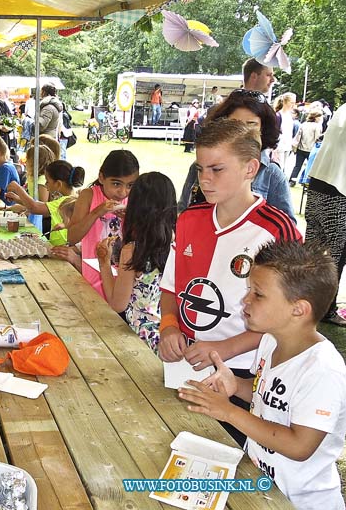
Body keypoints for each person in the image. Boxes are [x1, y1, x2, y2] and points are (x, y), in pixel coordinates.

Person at [158, 119, 300, 445]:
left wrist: (224, 348)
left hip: (245, 375)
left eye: (217, 169)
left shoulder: (276, 230)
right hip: (189, 366)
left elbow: (288, 318)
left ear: (251, 168)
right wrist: (168, 326)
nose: (204, 179)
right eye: (199, 168)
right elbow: (170, 286)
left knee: (234, 458)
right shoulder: (190, 219)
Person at [179, 240, 346, 509]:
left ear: (299, 309)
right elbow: (264, 394)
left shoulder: (322, 370)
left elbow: (299, 446)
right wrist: (235, 385)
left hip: (300, 502)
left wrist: (229, 412)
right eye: (249, 290)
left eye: (258, 294)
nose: (245, 300)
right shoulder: (270, 341)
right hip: (264, 487)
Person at [177, 88, 296, 224]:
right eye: (234, 125)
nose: (243, 132)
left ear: (263, 129)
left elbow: (288, 231)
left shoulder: (272, 175)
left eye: (251, 125)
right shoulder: (200, 167)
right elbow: (183, 210)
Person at [95, 172, 177, 354]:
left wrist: (104, 263)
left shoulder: (132, 250)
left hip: (139, 339)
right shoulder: (175, 241)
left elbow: (117, 304)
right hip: (165, 336)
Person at [303, 95, 346, 328]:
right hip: (342, 188)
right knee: (335, 257)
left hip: (319, 182)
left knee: (312, 254)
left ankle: (305, 300)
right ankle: (326, 309)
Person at [65, 150, 140, 298]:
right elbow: (72, 237)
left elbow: (140, 240)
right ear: (101, 177)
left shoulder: (134, 198)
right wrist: (96, 213)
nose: (123, 192)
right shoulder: (89, 195)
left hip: (123, 279)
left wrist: (130, 219)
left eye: (130, 185)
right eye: (116, 183)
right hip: (92, 277)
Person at [6, 160, 85, 246]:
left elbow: (34, 207)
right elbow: (41, 207)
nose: (45, 184)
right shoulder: (67, 199)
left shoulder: (65, 201)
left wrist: (18, 189)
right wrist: (18, 199)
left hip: (62, 249)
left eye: (47, 181)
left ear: (58, 184)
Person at [289, 107, 323, 186]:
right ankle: (304, 181)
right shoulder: (317, 126)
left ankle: (292, 180)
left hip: (300, 148)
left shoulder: (304, 124)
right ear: (316, 117)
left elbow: (299, 136)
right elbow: (317, 138)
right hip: (311, 149)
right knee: (309, 166)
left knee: (297, 166)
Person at [273, 92, 297, 169]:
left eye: (294, 103)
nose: (293, 105)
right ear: (285, 102)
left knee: (284, 167)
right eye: (291, 102)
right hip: (279, 146)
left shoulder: (289, 115)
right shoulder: (278, 115)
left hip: (287, 145)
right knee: (280, 167)